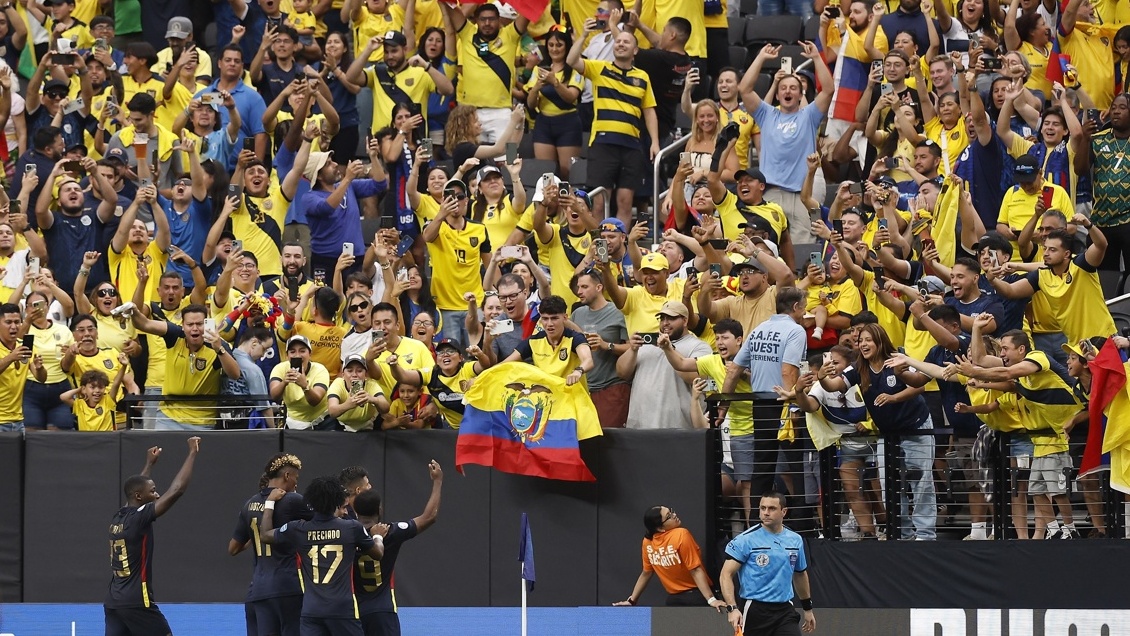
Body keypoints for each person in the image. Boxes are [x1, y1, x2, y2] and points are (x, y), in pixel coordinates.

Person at [260, 476, 384, 636]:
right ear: (337, 501)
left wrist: (269, 502)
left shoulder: (298, 528)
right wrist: (377, 536)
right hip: (342, 609)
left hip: (312, 610)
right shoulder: (352, 528)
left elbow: (265, 535)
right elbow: (378, 554)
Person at [105, 438, 201, 636]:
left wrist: (149, 464)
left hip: (114, 602)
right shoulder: (139, 519)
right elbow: (177, 490)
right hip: (137, 602)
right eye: (153, 491)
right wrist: (192, 453)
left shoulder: (119, 516)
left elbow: (135, 489)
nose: (157, 495)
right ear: (139, 497)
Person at [723, 286, 807, 508]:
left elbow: (733, 370)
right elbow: (788, 371)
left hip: (759, 406)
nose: (805, 313)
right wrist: (794, 409)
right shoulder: (796, 331)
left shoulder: (759, 329)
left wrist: (722, 407)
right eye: (804, 308)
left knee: (762, 468)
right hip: (784, 403)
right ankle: (803, 522)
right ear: (795, 306)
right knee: (796, 466)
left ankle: (756, 521)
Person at [353, 460, 443, 635]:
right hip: (383, 611)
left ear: (355, 511)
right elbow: (429, 517)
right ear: (379, 510)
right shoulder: (391, 532)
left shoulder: (347, 533)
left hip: (355, 612)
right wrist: (438, 481)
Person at [228, 453, 312, 636]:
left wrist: (254, 535)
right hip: (287, 586)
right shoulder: (293, 500)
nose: (296, 484)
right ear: (287, 476)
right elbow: (324, 519)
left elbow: (233, 548)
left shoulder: (249, 504)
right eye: (296, 478)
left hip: (259, 588)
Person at [130, 303, 243, 429]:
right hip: (168, 416)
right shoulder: (175, 334)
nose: (195, 328)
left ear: (207, 324)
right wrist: (134, 311)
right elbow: (144, 324)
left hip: (202, 420)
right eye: (190, 324)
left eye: (199, 324)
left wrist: (219, 349)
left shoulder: (218, 345)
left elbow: (235, 374)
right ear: (183, 325)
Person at [719, 492, 816, 635]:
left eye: (772, 508)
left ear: (784, 511)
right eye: (762, 508)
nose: (766, 513)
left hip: (784, 610)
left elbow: (800, 574)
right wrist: (732, 609)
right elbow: (725, 575)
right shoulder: (745, 540)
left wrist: (807, 609)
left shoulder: (795, 540)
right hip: (755, 609)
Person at [617, 301, 711, 429]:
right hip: (640, 426)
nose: (665, 323)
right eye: (662, 318)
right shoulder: (646, 344)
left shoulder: (699, 347)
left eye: (671, 318)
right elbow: (621, 372)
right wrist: (632, 349)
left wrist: (668, 349)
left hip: (678, 428)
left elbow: (696, 378)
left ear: (685, 321)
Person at [613, 505, 726, 609]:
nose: (674, 515)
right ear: (660, 528)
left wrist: (632, 601)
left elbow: (646, 573)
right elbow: (695, 570)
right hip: (698, 598)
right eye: (669, 516)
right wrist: (711, 600)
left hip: (674, 600)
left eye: (671, 511)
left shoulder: (647, 542)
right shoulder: (681, 534)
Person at [571, 270, 630, 427]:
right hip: (583, 389)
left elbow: (633, 348)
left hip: (611, 388)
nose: (579, 291)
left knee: (608, 437)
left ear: (599, 287)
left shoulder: (618, 312)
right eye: (578, 287)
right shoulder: (577, 314)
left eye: (584, 287)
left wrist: (607, 345)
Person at [503, 295, 593, 386]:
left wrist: (578, 371)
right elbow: (505, 364)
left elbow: (588, 360)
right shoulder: (534, 341)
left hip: (573, 393)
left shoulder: (575, 338)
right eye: (545, 319)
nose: (549, 324)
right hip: (546, 394)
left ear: (565, 318)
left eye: (554, 318)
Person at [270, 335, 331, 429]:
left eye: (302, 351)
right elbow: (274, 396)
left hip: (322, 421)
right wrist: (284, 383)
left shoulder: (320, 370)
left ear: (310, 354)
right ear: (287, 356)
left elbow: (315, 401)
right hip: (294, 421)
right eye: (292, 352)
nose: (297, 355)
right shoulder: (280, 368)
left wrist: (305, 386)